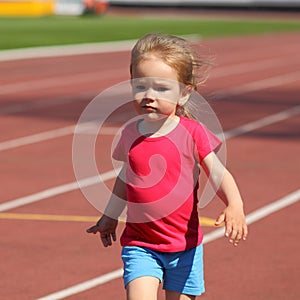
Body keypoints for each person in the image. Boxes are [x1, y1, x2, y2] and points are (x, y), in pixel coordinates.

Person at [87, 33, 248, 300]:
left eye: (161, 89)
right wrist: (110, 215)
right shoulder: (130, 133)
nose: (148, 96)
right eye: (141, 87)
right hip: (141, 245)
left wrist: (235, 204)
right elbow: (126, 178)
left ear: (184, 93)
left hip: (185, 247)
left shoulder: (193, 133)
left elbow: (217, 173)